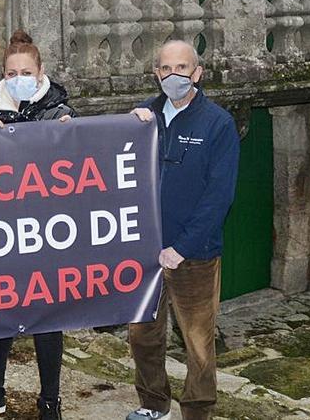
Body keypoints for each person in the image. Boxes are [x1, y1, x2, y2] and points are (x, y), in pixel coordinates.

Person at [0, 30, 74, 420]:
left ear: (40, 71)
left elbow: (82, 166)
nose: (18, 77)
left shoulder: (60, 113)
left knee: (48, 316)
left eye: (26, 71)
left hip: (45, 231)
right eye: (11, 72)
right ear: (3, 74)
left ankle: (50, 402)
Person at [125, 40, 240, 420]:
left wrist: (184, 246)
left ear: (197, 73)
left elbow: (218, 196)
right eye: (166, 68)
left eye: (182, 68)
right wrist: (129, 125)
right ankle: (153, 405)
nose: (174, 75)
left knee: (198, 343)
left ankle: (197, 411)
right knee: (143, 335)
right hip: (146, 252)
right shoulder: (144, 116)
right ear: (156, 73)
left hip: (195, 254)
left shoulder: (218, 123)